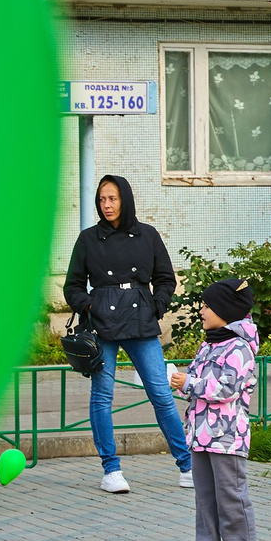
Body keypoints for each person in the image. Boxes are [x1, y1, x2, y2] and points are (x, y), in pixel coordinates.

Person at [62, 175, 190, 496]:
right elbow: (72, 286)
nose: (107, 205)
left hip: (140, 321)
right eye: (102, 199)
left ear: (125, 200)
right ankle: (111, 469)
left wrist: (155, 307)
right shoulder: (88, 239)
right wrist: (92, 304)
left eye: (113, 199)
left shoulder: (147, 235)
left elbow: (165, 279)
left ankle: (188, 465)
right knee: (102, 397)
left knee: (161, 394)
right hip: (102, 325)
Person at [180, 280, 260, 541]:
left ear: (225, 309)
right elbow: (193, 379)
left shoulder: (239, 348)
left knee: (230, 494)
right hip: (200, 435)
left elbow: (226, 389)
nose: (201, 310)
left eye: (207, 305)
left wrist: (189, 384)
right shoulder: (209, 344)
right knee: (205, 495)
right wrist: (181, 383)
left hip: (227, 437)